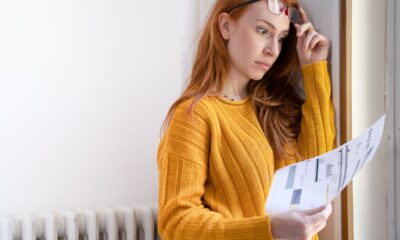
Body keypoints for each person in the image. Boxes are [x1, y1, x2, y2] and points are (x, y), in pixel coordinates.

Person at [157, 0, 336, 239]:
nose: (273, 49)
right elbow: (177, 222)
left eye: (282, 38)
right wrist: (270, 229)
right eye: (263, 31)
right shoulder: (195, 116)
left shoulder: (277, 106)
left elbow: (318, 172)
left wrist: (314, 69)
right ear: (225, 27)